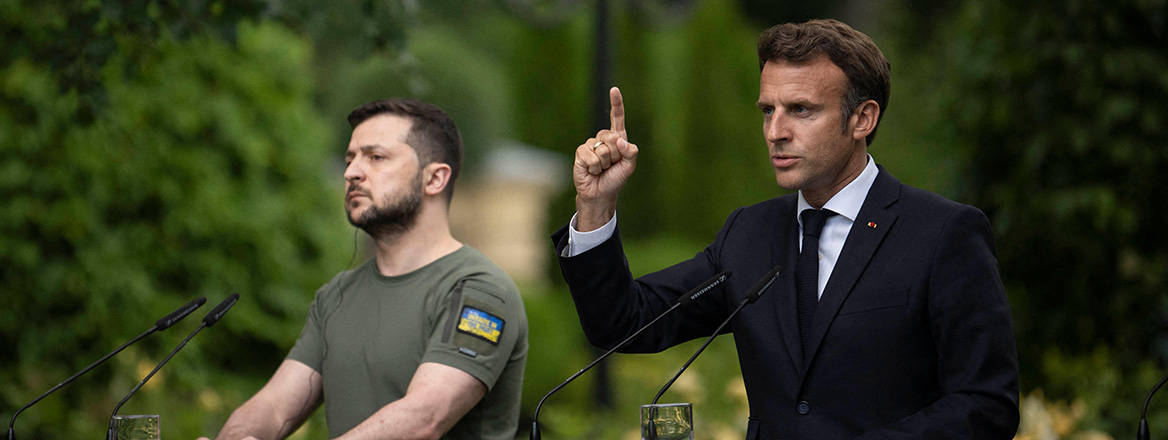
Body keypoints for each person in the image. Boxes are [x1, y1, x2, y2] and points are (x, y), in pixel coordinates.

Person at [552, 19, 1019, 438]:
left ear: (862, 118)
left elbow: (986, 405)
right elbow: (626, 324)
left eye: (800, 110)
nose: (775, 131)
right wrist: (596, 205)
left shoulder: (943, 233)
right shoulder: (748, 232)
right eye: (767, 110)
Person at [200, 99, 528, 440]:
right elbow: (275, 407)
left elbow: (424, 417)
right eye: (349, 159)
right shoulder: (337, 295)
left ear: (434, 179)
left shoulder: (479, 290)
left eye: (375, 157)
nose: (351, 172)